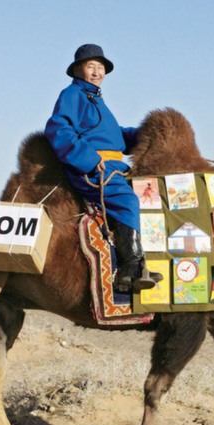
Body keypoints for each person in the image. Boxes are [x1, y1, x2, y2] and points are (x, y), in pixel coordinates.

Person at [45, 44, 160, 292]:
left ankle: (139, 263)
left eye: (100, 67)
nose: (97, 72)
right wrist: (86, 159)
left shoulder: (94, 98)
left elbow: (113, 136)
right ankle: (130, 270)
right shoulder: (72, 95)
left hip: (112, 165)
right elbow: (58, 129)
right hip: (93, 170)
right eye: (91, 66)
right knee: (128, 201)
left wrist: (148, 134)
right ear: (77, 70)